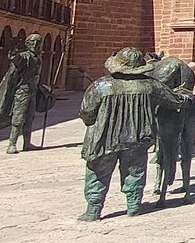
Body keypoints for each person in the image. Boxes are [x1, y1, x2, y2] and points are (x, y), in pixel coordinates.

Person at [77, 47, 185, 221]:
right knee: (135, 171)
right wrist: (184, 95)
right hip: (137, 137)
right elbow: (174, 101)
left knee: (98, 173)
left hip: (104, 139)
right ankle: (133, 206)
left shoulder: (100, 85)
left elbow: (87, 113)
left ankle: (93, 210)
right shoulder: (150, 85)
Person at [149, 56, 195, 204]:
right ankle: (186, 191)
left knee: (164, 151)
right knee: (187, 153)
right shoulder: (194, 99)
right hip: (190, 109)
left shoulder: (157, 82)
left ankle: (160, 190)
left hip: (167, 110)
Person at [0, 33, 49, 153]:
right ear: (27, 44)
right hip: (22, 91)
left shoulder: (37, 58)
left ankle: (27, 143)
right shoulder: (24, 56)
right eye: (33, 42)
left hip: (33, 91)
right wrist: (13, 49)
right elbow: (15, 58)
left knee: (30, 117)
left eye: (38, 43)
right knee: (18, 117)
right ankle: (12, 144)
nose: (36, 45)